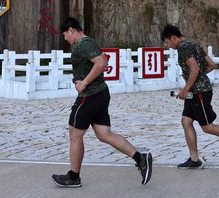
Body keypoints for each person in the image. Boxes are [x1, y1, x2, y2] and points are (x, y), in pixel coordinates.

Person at [52, 16, 153, 188]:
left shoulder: (85, 44)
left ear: (71, 30)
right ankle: (140, 159)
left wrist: (83, 83)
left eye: (65, 35)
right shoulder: (84, 44)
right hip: (99, 94)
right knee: (104, 134)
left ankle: (74, 177)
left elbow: (101, 63)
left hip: (89, 96)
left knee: (75, 134)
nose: (65, 39)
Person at [160, 23, 219, 169]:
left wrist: (186, 89)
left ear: (173, 38)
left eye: (168, 42)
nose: (169, 46)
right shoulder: (193, 44)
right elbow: (212, 65)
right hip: (196, 91)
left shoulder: (183, 49)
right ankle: (194, 159)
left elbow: (194, 69)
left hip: (199, 93)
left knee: (208, 127)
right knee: (186, 121)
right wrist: (197, 80)